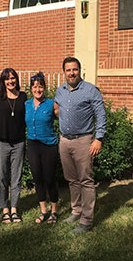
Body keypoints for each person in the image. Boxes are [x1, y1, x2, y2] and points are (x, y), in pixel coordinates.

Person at [55, 57, 106, 234]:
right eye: (68, 70)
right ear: (64, 72)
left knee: (86, 180)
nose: (72, 73)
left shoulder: (91, 90)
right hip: (64, 141)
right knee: (71, 180)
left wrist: (98, 138)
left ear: (80, 70)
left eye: (75, 69)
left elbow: (101, 114)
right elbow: (57, 109)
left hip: (84, 141)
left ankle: (86, 220)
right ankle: (76, 210)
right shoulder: (60, 90)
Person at [0, 68, 27, 223]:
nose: (10, 81)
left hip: (19, 143)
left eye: (13, 78)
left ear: (16, 79)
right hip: (2, 143)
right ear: (3, 81)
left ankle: (14, 209)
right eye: (7, 79)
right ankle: (4, 208)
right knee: (3, 177)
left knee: (16, 177)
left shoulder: (23, 97)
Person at [25, 72, 59, 224]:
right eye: (34, 87)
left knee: (49, 179)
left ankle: (54, 211)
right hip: (33, 145)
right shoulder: (26, 104)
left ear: (44, 88)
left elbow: (64, 120)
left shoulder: (52, 104)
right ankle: (43, 210)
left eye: (40, 87)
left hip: (49, 146)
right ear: (31, 89)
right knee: (38, 178)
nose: (37, 90)